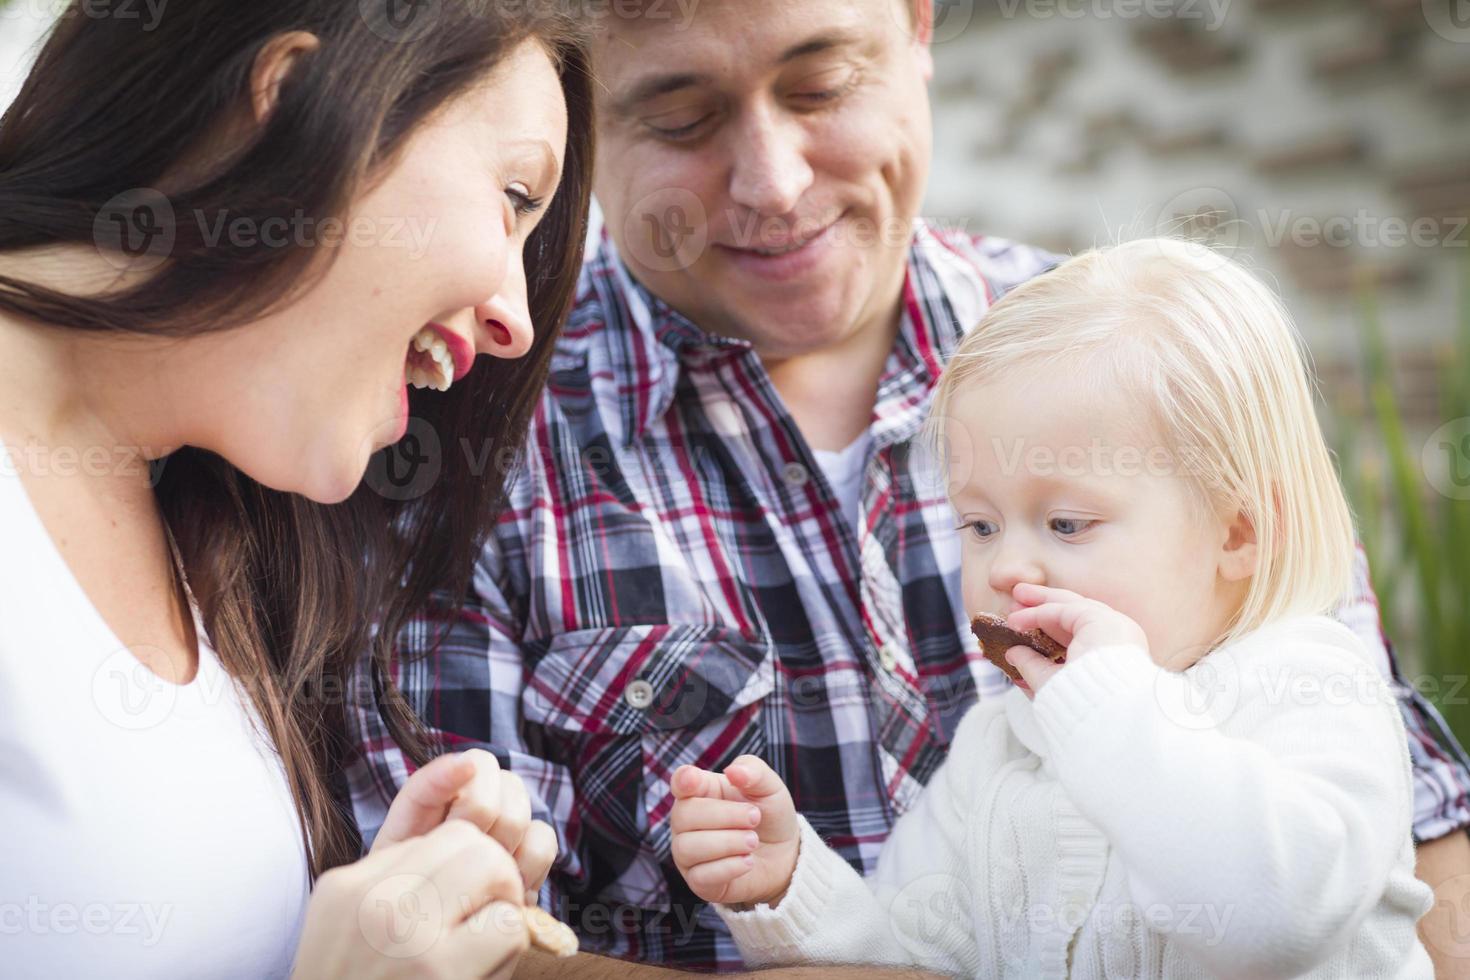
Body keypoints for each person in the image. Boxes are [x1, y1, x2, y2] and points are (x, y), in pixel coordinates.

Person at [347, 0, 1470, 974]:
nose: (773, 181)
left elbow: (1405, 835)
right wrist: (788, 888)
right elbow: (472, 948)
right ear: (581, 120)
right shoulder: (464, 446)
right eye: (681, 118)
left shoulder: (1144, 365)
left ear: (920, 29)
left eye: (822, 82)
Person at [0, 2, 593, 976]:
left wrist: (379, 924)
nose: (514, 325)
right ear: (284, 104)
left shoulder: (206, 535)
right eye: (513, 193)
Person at [671, 238, 1436, 978]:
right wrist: (792, 888)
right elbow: (911, 961)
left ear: (1240, 532)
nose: (1006, 567)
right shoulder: (999, 742)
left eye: (1067, 524)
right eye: (979, 526)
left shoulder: (1306, 684)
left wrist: (1112, 706)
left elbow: (1276, 924)